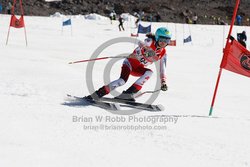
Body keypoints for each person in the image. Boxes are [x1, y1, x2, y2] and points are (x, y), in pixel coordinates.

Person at [87, 27, 171, 101]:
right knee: (122, 81)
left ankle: (127, 95)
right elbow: (141, 43)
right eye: (162, 39)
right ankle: (98, 94)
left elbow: (163, 68)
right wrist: (147, 50)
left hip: (138, 68)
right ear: (157, 38)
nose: (164, 42)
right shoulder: (150, 42)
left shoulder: (163, 53)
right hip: (129, 64)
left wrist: (163, 81)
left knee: (149, 72)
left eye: (167, 40)